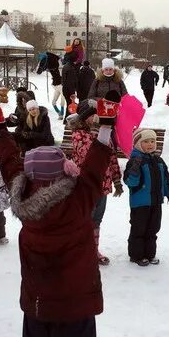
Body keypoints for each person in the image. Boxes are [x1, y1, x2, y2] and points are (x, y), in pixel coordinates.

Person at [0, 104, 115, 337]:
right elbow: (94, 168)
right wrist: (105, 126)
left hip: (37, 305)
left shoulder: (22, 198)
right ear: (64, 170)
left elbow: (9, 164)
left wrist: (1, 131)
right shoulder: (78, 200)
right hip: (75, 307)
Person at [69, 99, 123, 266]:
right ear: (85, 118)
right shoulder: (79, 135)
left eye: (99, 116)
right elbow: (88, 155)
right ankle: (79, 251)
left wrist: (117, 180)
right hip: (85, 186)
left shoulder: (105, 134)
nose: (97, 119)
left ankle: (93, 250)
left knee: (96, 220)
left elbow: (112, 157)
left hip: (103, 186)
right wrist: (99, 134)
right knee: (84, 219)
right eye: (94, 116)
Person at [124, 128, 169, 266]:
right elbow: (130, 182)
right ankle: (136, 255)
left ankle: (149, 254)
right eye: (146, 141)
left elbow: (166, 180)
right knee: (139, 229)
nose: (150, 144)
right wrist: (134, 169)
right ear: (137, 144)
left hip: (155, 202)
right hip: (140, 203)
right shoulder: (135, 160)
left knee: (153, 229)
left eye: (153, 141)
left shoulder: (158, 160)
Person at [61, 51, 78, 122]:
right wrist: (72, 93)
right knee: (70, 105)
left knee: (69, 104)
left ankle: (66, 119)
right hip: (69, 89)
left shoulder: (66, 66)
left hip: (65, 88)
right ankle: (67, 120)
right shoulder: (71, 68)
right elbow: (70, 82)